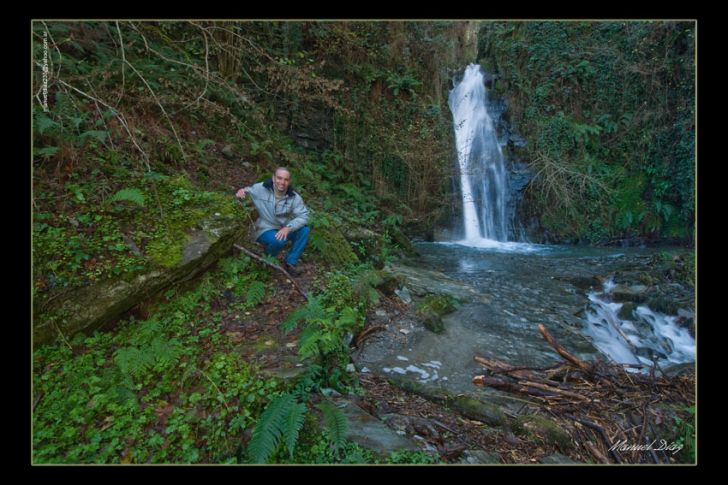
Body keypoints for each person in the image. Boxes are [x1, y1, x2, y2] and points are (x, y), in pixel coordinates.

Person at [235, 167, 310, 276]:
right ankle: (268, 260)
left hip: (282, 227)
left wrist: (289, 227)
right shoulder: (260, 188)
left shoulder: (294, 197)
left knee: (304, 230)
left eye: (286, 179)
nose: (282, 182)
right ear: (273, 178)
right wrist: (241, 192)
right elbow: (246, 191)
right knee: (279, 240)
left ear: (289, 181)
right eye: (279, 178)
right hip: (264, 228)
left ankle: (290, 262)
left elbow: (304, 216)